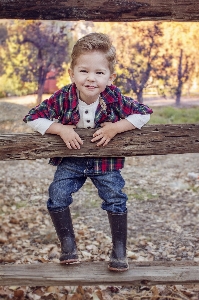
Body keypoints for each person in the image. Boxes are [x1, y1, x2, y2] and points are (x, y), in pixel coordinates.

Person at [23, 32, 153, 272]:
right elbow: (32, 117)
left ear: (110, 77)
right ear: (72, 73)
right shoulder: (63, 97)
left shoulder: (113, 97)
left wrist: (116, 127)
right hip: (72, 160)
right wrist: (60, 129)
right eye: (84, 71)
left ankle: (119, 250)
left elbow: (143, 112)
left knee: (115, 198)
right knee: (57, 195)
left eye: (99, 73)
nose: (91, 78)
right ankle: (68, 245)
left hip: (104, 161)